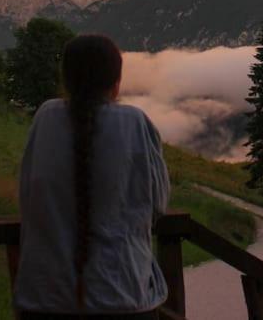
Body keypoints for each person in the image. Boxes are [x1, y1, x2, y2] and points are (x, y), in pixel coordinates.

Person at [13, 34, 170, 320]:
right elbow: (158, 205)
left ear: (67, 80)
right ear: (115, 83)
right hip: (123, 294)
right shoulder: (135, 123)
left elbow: (26, 193)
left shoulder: (45, 118)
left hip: (45, 299)